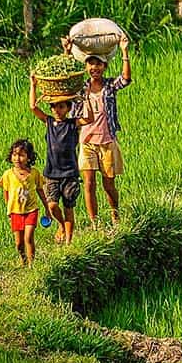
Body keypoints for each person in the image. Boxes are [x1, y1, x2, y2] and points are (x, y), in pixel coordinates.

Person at [63, 35, 131, 227]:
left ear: (105, 67)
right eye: (91, 64)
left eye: (99, 64)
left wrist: (124, 50)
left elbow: (126, 79)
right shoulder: (81, 88)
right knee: (89, 184)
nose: (95, 68)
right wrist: (67, 51)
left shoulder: (109, 86)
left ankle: (115, 216)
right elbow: (66, 81)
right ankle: (95, 223)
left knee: (109, 185)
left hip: (107, 141)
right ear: (86, 67)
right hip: (86, 143)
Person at [28, 75, 93, 245]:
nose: (57, 109)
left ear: (68, 108)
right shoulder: (49, 122)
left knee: (69, 207)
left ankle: (69, 242)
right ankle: (62, 225)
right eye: (54, 106)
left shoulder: (73, 123)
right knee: (52, 205)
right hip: (51, 173)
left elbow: (90, 118)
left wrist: (86, 99)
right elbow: (33, 107)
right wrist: (33, 86)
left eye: (61, 106)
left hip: (70, 174)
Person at [0, 139, 47, 267]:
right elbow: (6, 192)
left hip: (31, 210)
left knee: (28, 237)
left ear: (29, 157)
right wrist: (9, 209)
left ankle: (31, 265)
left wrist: (47, 208)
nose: (17, 158)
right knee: (19, 243)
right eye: (14, 154)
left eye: (21, 155)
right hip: (16, 211)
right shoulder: (8, 174)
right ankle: (23, 259)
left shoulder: (34, 173)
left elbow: (40, 190)